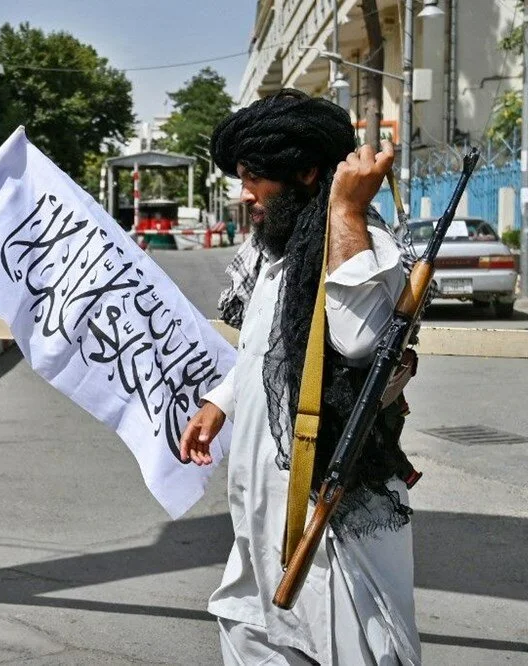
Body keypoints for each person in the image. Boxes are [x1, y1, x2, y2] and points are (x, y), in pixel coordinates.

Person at [178, 89, 422, 665]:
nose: (245, 196)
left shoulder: (365, 247)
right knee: (245, 630)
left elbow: (359, 341)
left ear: (308, 172)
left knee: (349, 650)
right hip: (262, 507)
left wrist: (346, 212)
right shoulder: (277, 258)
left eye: (254, 178)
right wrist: (220, 402)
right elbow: (267, 357)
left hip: (330, 514)